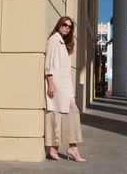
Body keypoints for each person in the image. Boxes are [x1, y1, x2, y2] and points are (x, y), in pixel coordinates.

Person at [44, 16, 86, 162]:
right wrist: (50, 83)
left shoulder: (62, 42)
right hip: (56, 85)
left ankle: (71, 147)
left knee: (70, 113)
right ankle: (54, 148)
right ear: (59, 25)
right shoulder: (54, 40)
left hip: (64, 87)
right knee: (55, 116)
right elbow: (48, 63)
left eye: (69, 26)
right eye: (65, 25)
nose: (67, 28)